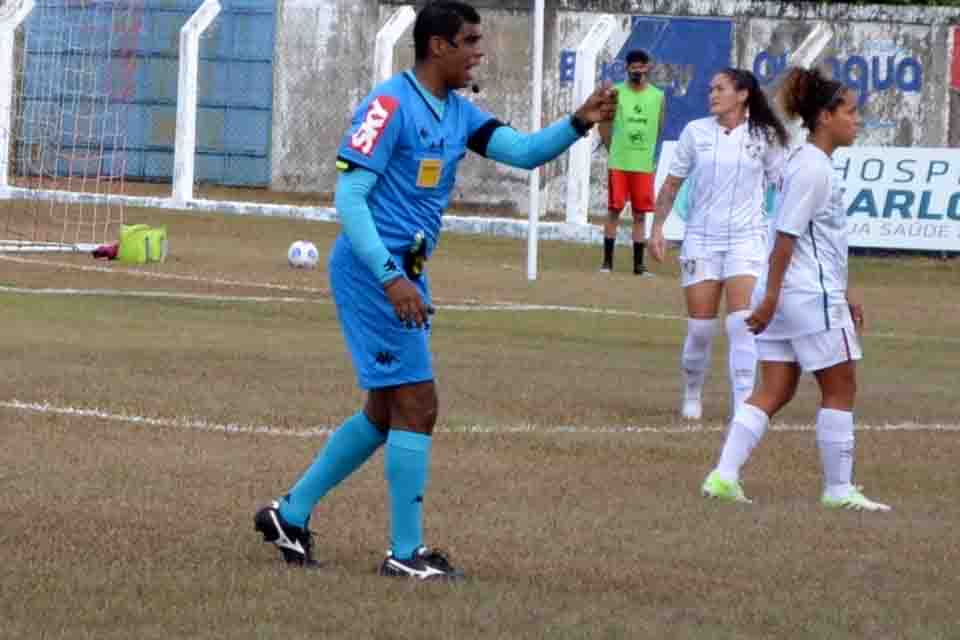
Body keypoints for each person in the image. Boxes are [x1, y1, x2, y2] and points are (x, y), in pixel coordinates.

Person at [254, 1, 617, 580]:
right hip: (375, 273)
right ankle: (405, 554)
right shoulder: (389, 105)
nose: (479, 52)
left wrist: (579, 121)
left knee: (385, 411)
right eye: (470, 41)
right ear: (438, 46)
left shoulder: (459, 113)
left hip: (405, 273)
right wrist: (391, 277)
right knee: (418, 405)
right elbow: (349, 198)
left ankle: (289, 514)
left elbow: (523, 153)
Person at [699, 66, 890, 512]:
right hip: (806, 298)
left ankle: (723, 476)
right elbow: (786, 237)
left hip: (791, 295)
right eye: (850, 111)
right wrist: (770, 299)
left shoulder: (802, 163)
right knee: (841, 388)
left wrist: (835, 290)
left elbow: (816, 242)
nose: (857, 120)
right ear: (825, 117)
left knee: (776, 388)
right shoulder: (813, 169)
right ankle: (838, 490)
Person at [650, 69, 789, 421]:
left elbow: (785, 185)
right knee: (700, 329)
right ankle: (692, 393)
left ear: (742, 94)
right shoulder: (695, 132)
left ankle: (743, 405)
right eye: (710, 89)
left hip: (747, 240)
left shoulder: (764, 136)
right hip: (701, 239)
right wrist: (657, 228)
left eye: (720, 89)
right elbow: (671, 184)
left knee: (742, 323)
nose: (711, 94)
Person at [598, 49, 665, 275]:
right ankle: (607, 263)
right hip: (619, 162)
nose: (637, 71)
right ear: (627, 68)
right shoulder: (616, 92)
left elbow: (658, 127)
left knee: (640, 214)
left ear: (647, 68)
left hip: (642, 165)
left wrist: (648, 153)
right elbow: (604, 123)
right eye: (633, 67)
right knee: (614, 211)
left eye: (641, 66)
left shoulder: (657, 96)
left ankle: (639, 266)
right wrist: (612, 149)